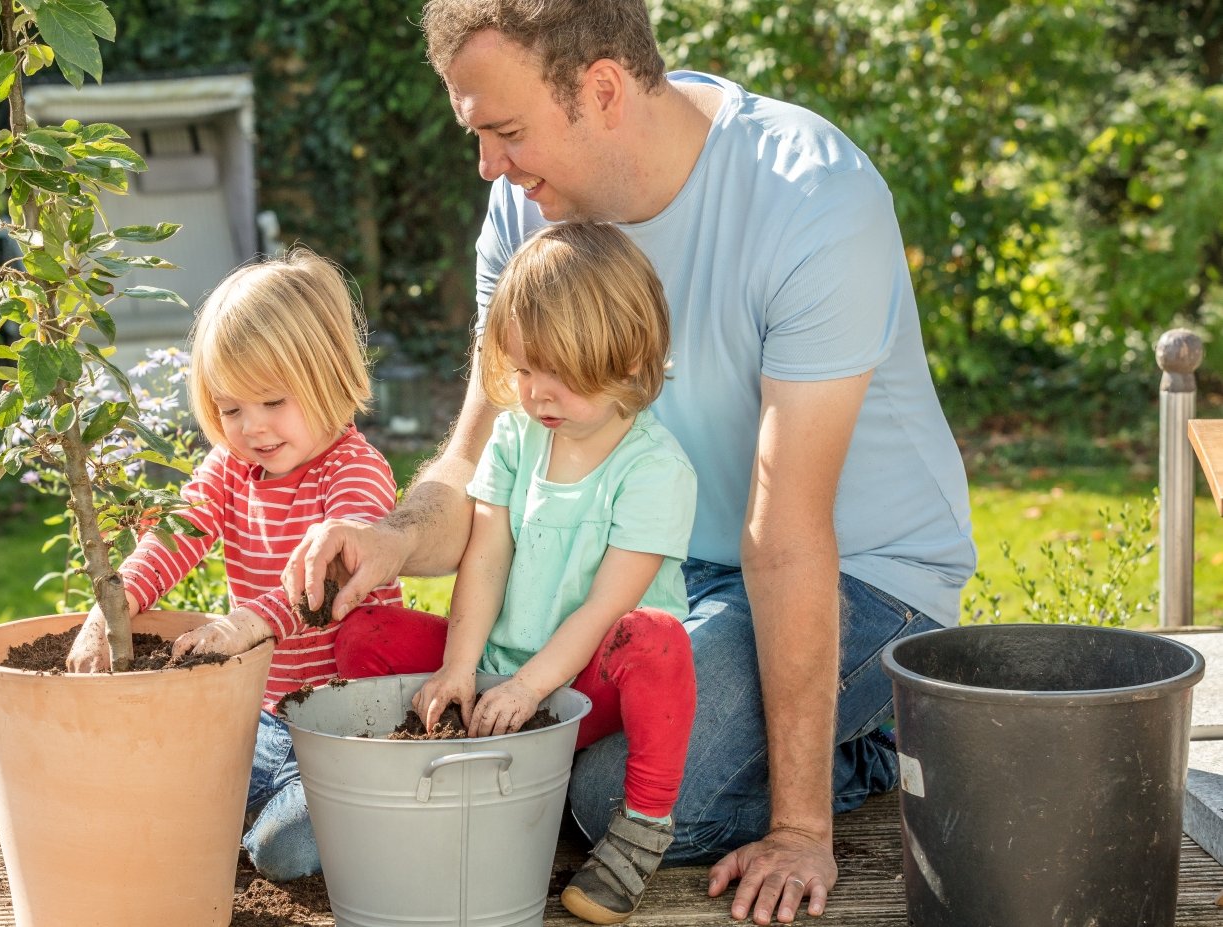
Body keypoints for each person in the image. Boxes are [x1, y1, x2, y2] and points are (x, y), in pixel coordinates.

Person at [285, 2, 977, 924]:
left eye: (505, 131)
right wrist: (388, 536)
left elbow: (785, 527)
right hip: (647, 569)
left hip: (858, 572)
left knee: (612, 799)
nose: (488, 166)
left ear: (601, 89)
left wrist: (800, 826)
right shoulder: (524, 210)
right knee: (538, 739)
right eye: (477, 135)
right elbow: (475, 458)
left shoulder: (810, 197)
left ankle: (872, 738)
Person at [333, 222, 698, 922]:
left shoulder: (654, 469)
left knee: (655, 637)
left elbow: (602, 610)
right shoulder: (516, 435)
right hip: (500, 671)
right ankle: (414, 786)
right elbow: (486, 555)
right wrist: (460, 667)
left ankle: (642, 826)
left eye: (556, 373)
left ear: (626, 360)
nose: (535, 393)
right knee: (367, 631)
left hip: (586, 686)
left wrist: (532, 686)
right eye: (524, 370)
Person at [64, 249, 425, 881]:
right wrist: (110, 606)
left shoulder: (355, 472)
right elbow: (177, 537)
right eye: (231, 409)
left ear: (330, 377)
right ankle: (270, 822)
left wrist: (248, 622)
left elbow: (331, 574)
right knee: (162, 789)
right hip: (265, 722)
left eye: (272, 401)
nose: (252, 428)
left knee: (285, 848)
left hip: (353, 726)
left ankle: (323, 823)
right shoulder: (232, 468)